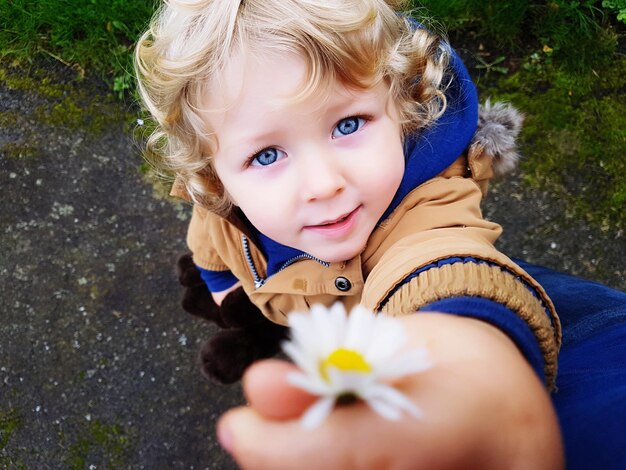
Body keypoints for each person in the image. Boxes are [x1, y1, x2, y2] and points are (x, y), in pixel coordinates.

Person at [134, 0, 582, 467]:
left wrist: (467, 360)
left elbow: (443, 262)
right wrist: (222, 286)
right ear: (214, 175)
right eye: (267, 155)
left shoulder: (429, 202)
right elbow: (210, 233)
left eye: (348, 125)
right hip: (267, 298)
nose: (324, 183)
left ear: (403, 109)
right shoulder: (216, 196)